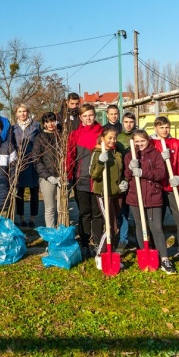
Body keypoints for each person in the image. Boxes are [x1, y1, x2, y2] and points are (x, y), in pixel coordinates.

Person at [124, 129, 174, 274]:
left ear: (148, 140)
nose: (140, 144)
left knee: (156, 227)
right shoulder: (129, 156)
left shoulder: (155, 154)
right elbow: (127, 176)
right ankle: (144, 254)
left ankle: (164, 258)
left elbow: (160, 173)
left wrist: (143, 173)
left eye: (143, 141)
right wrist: (130, 168)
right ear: (133, 142)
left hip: (153, 195)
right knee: (140, 226)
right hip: (135, 196)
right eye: (137, 141)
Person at [67, 103, 103, 258]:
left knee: (97, 214)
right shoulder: (75, 135)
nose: (89, 118)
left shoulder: (102, 133)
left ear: (95, 115)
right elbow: (70, 157)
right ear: (80, 117)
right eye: (85, 116)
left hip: (98, 180)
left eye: (91, 115)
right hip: (81, 179)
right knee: (84, 213)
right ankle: (84, 242)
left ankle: (97, 243)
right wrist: (69, 176)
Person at [152, 116, 179, 260]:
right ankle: (158, 249)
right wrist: (159, 158)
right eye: (161, 127)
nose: (164, 130)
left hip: (173, 187)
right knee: (156, 222)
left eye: (167, 127)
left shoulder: (176, 143)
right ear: (156, 128)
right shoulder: (151, 143)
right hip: (157, 188)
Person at [89, 125, 127, 269]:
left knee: (115, 225)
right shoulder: (97, 151)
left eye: (114, 137)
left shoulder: (117, 154)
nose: (113, 140)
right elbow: (93, 175)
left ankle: (109, 254)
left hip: (116, 193)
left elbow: (121, 173)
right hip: (103, 193)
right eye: (109, 138)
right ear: (103, 138)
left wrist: (124, 182)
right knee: (110, 226)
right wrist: (100, 162)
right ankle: (99, 255)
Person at [12, 104, 40, 227]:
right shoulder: (13, 128)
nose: (23, 114)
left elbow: (40, 142)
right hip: (20, 163)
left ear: (28, 112)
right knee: (20, 192)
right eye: (20, 111)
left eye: (24, 111)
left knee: (34, 192)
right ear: (16, 113)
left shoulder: (36, 126)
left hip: (33, 162)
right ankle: (22, 217)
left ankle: (33, 218)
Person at [33, 112, 62, 228]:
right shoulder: (39, 138)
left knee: (62, 207)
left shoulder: (61, 136)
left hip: (61, 176)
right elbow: (36, 159)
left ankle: (62, 231)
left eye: (53, 121)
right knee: (50, 207)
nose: (50, 124)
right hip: (46, 178)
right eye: (47, 121)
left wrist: (63, 173)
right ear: (44, 124)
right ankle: (51, 234)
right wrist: (47, 176)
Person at [115, 111, 137, 252]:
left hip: (136, 178)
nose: (129, 125)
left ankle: (139, 237)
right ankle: (123, 239)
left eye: (131, 122)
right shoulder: (118, 139)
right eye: (126, 122)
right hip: (122, 179)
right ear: (122, 122)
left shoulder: (138, 137)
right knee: (122, 211)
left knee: (137, 211)